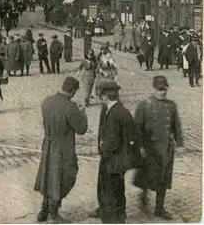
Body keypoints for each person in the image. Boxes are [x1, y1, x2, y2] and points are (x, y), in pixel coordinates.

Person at [34, 77, 88, 223]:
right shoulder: (69, 107)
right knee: (65, 177)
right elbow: (82, 129)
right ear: (73, 90)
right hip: (64, 147)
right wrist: (81, 111)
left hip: (48, 144)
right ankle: (53, 214)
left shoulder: (47, 101)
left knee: (49, 176)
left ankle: (44, 210)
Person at [134, 76, 183, 220]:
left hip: (166, 148)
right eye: (160, 90)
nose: (163, 92)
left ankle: (159, 208)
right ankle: (143, 200)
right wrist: (140, 147)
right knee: (147, 176)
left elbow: (176, 126)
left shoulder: (171, 106)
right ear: (153, 89)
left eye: (165, 89)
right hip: (150, 148)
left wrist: (180, 144)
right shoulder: (144, 105)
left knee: (164, 178)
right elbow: (137, 128)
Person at [94, 81, 139, 224]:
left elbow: (113, 142)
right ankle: (120, 214)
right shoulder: (119, 110)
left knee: (110, 189)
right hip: (120, 159)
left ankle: (111, 218)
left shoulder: (115, 113)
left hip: (113, 159)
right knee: (118, 187)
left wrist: (103, 146)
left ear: (105, 97)